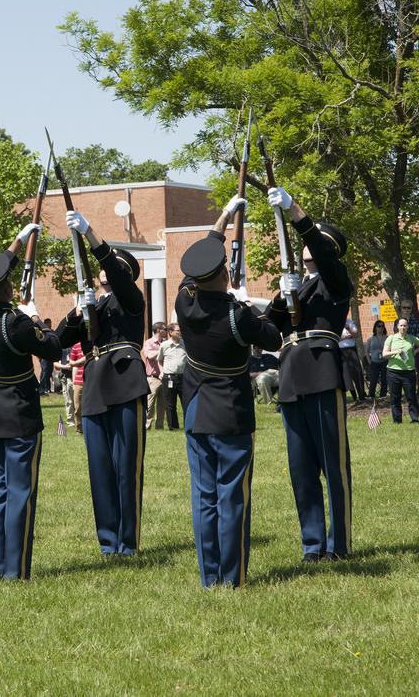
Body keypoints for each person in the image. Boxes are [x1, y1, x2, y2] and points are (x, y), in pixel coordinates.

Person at [175, 197, 282, 586]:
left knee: (205, 498)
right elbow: (273, 336)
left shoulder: (184, 302)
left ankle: (210, 576)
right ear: (225, 274)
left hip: (197, 407)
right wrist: (252, 301)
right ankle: (232, 576)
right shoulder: (238, 315)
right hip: (232, 412)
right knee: (232, 497)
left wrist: (222, 219)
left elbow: (197, 266)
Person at [0, 223, 62, 579]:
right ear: (6, 287)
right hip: (18, 409)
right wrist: (35, 316)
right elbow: (52, 347)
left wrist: (18, 243)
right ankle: (16, 570)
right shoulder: (16, 323)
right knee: (20, 491)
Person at [263, 185, 355, 562]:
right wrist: (281, 297)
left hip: (321, 371)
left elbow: (319, 250)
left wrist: (296, 214)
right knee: (301, 470)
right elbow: (268, 329)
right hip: (291, 377)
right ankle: (313, 543)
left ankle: (340, 543)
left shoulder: (336, 281)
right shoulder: (296, 286)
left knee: (333, 466)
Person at [57, 210, 149, 557]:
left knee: (127, 467)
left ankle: (129, 542)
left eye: (112, 270)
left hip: (125, 380)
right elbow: (60, 339)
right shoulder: (92, 306)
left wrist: (91, 235)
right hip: (95, 383)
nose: (106, 275)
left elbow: (115, 270)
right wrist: (77, 311)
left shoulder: (131, 299)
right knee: (100, 471)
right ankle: (108, 542)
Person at [383, 318, 419, 424]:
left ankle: (414, 419)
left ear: (408, 327)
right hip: (393, 372)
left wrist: (415, 351)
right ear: (397, 326)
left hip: (409, 372)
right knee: (395, 397)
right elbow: (384, 354)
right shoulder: (391, 338)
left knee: (411, 396)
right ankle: (397, 420)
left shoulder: (411, 338)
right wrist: (396, 351)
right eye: (401, 325)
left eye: (405, 325)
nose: (403, 327)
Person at [158, 324, 186, 430]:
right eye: (178, 330)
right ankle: (173, 427)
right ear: (171, 332)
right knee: (170, 404)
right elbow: (159, 360)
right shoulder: (164, 345)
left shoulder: (185, 344)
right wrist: (161, 372)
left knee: (186, 402)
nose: (180, 332)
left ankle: (189, 425)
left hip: (183, 378)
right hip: (169, 378)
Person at [143, 322, 167, 429]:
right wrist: (162, 349)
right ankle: (147, 425)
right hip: (152, 378)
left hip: (164, 377)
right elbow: (150, 355)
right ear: (158, 330)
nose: (167, 331)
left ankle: (160, 426)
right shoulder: (148, 342)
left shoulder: (166, 343)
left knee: (163, 404)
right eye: (165, 329)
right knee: (150, 403)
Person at [339, 320, 366, 403]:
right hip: (341, 351)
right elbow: (336, 337)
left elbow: (355, 334)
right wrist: (347, 336)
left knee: (357, 372)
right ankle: (353, 396)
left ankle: (362, 395)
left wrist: (347, 328)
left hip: (352, 350)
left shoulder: (350, 323)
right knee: (346, 375)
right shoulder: (335, 323)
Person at [366, 321, 388, 399]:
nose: (381, 328)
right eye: (379, 326)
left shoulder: (387, 338)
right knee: (373, 379)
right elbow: (367, 351)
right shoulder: (371, 339)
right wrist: (369, 361)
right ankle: (371, 395)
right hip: (374, 362)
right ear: (375, 327)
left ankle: (383, 395)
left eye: (382, 326)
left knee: (384, 379)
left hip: (384, 361)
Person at [38, 320, 55, 395]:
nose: (50, 325)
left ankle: (48, 388)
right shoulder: (41, 333)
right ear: (45, 324)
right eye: (48, 324)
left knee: (49, 371)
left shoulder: (52, 332)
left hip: (50, 355)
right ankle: (41, 389)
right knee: (45, 371)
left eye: (50, 323)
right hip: (44, 356)